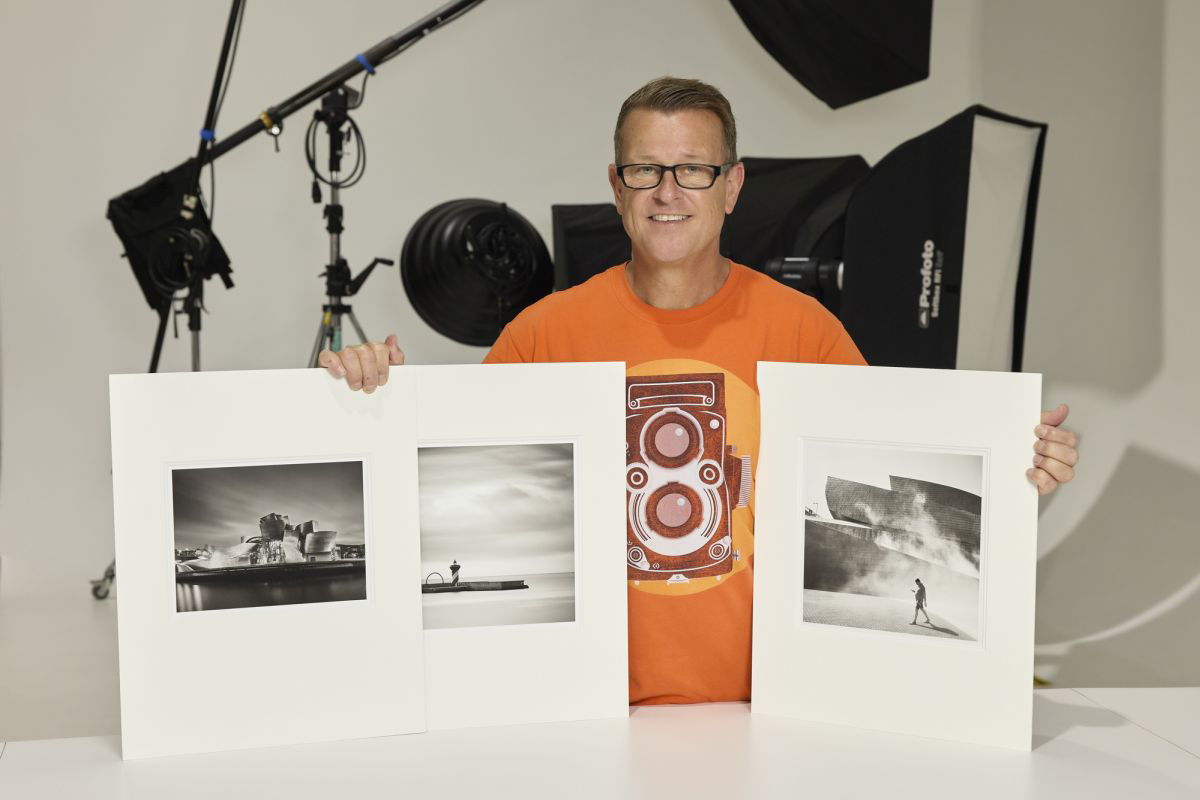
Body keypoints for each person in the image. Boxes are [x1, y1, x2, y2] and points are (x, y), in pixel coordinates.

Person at [317, 77, 1080, 706]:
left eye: (694, 169)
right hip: (583, 707)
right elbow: (462, 501)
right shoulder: (541, 337)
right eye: (645, 169)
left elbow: (895, 481)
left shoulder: (806, 335)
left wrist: (1017, 470)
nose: (668, 191)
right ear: (616, 187)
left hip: (768, 710)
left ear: (732, 186)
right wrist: (371, 407)